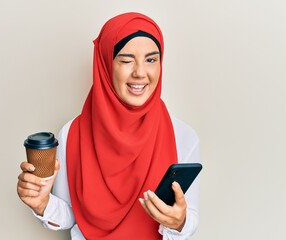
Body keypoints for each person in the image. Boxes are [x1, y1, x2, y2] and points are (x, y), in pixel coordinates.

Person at [17, 12, 200, 240]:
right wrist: (42, 203)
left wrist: (179, 221)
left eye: (151, 60)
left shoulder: (182, 135)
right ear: (104, 64)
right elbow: (71, 217)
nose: (140, 73)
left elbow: (189, 218)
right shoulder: (72, 133)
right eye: (126, 60)